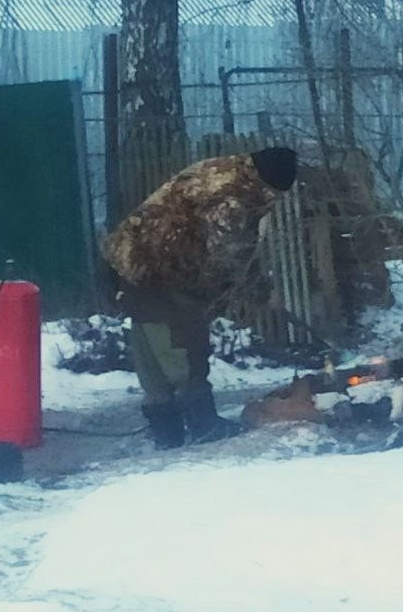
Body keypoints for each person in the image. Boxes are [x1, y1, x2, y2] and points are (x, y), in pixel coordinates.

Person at [102, 146, 298, 448]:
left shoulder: (223, 170)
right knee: (184, 346)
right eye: (275, 194)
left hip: (136, 262)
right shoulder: (232, 199)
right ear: (268, 183)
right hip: (164, 272)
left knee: (152, 352)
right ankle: (203, 427)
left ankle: (167, 433)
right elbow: (230, 252)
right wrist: (263, 292)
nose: (274, 202)